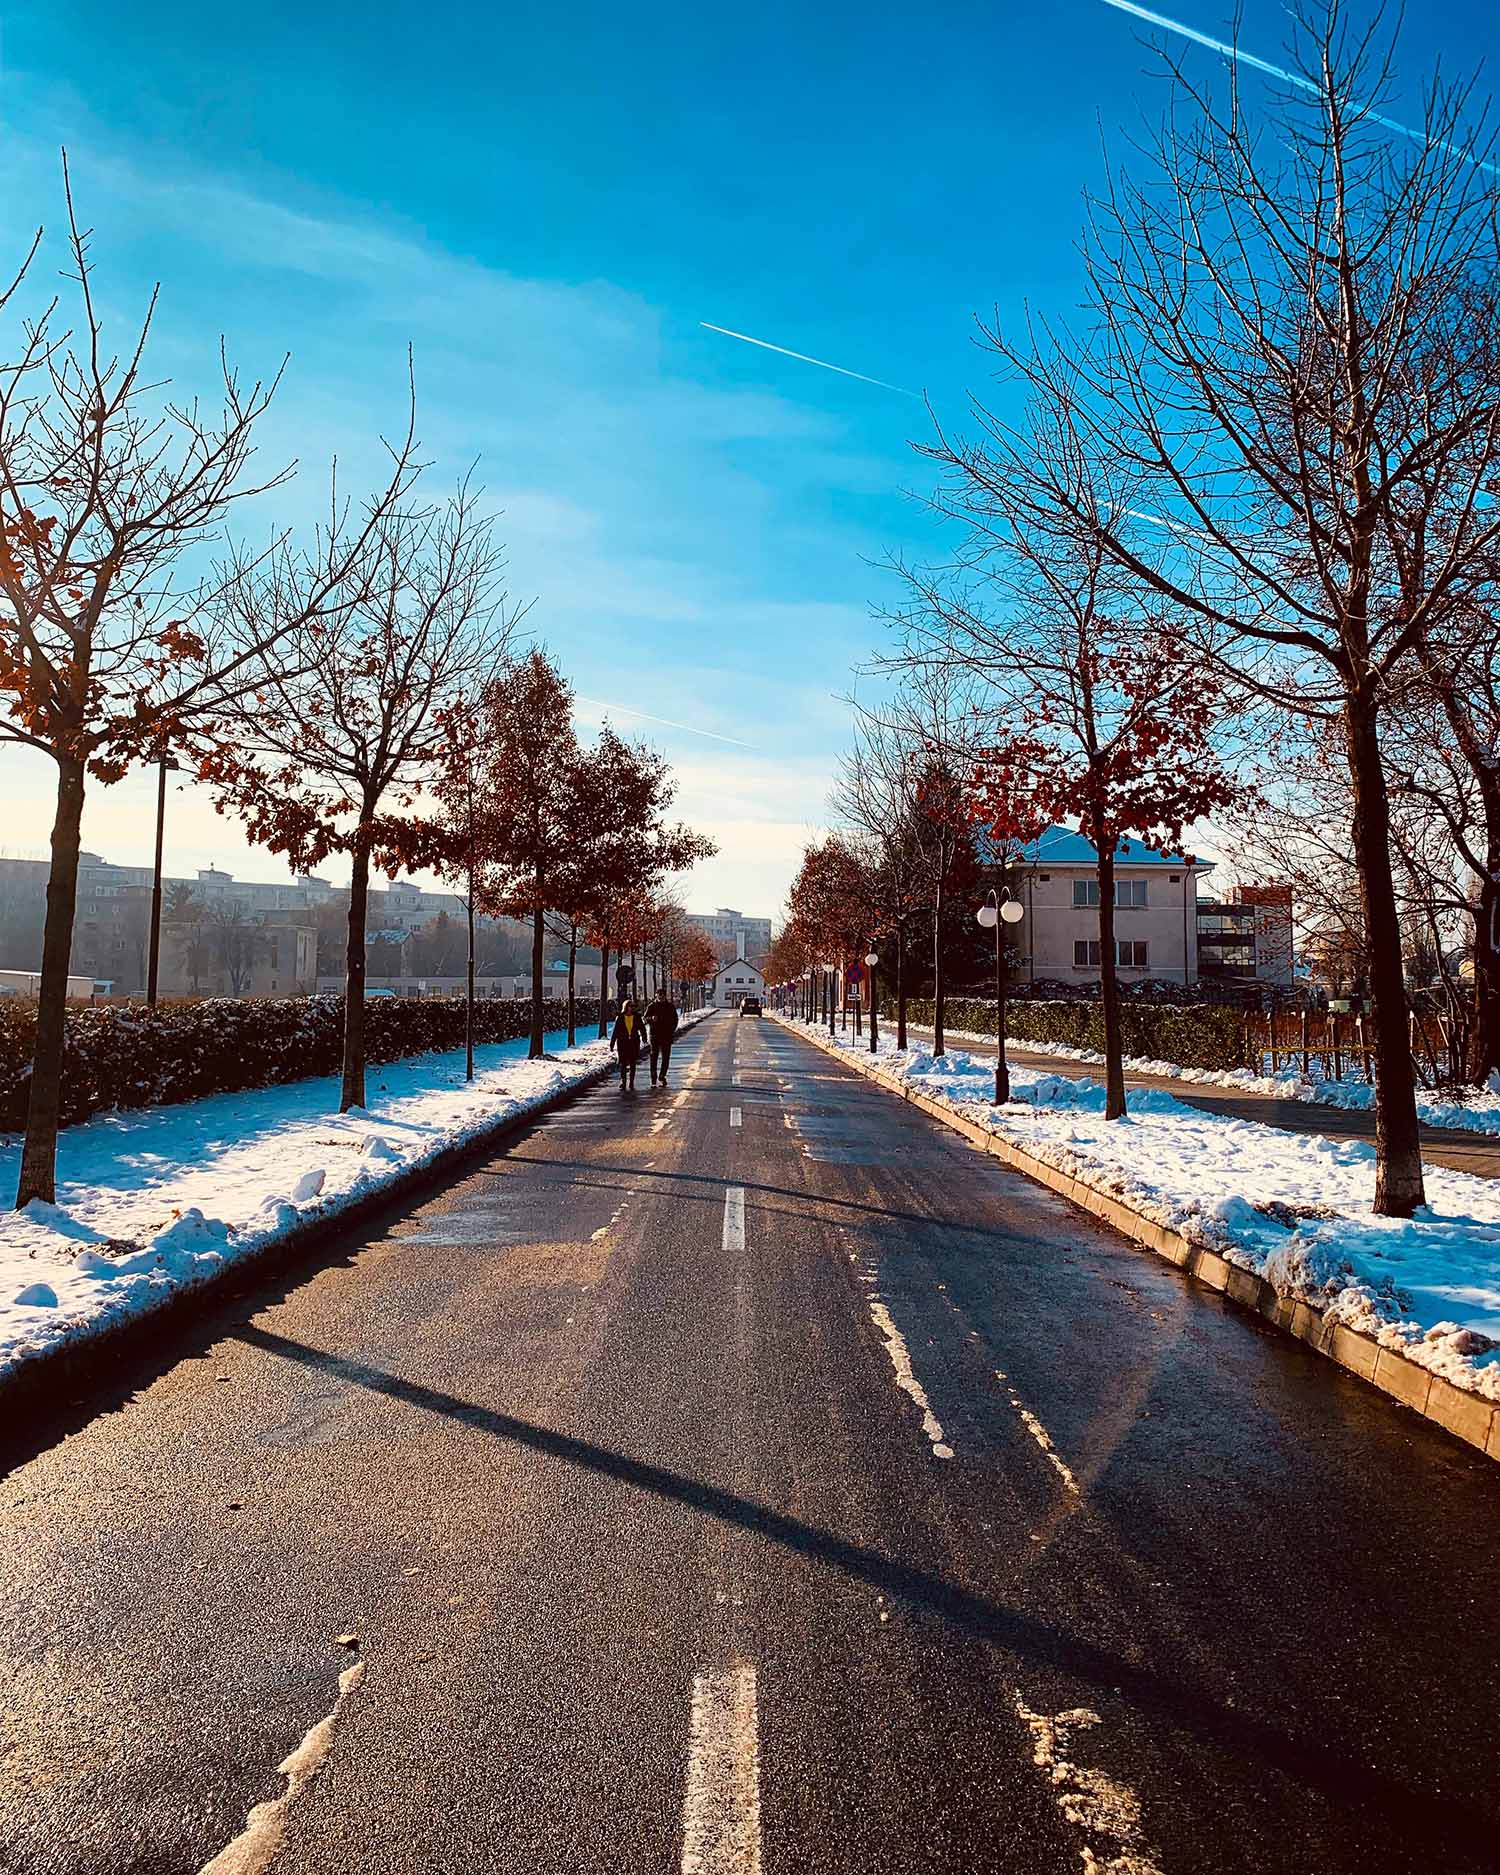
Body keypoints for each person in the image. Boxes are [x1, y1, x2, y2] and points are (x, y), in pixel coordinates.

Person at [644, 990, 680, 1085]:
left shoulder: (670, 1006)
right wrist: (651, 1019)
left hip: (666, 1035)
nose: (660, 997)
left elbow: (675, 1019)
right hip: (655, 1035)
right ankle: (653, 1076)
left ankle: (662, 1075)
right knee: (653, 1056)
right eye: (659, 995)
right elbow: (645, 1018)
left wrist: (671, 1030)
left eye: (662, 995)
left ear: (665, 996)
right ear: (656, 996)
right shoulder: (652, 1006)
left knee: (666, 1057)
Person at [610, 998, 643, 1091]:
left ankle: (631, 1082)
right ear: (626, 1007)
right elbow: (615, 1031)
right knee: (623, 1063)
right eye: (630, 1006)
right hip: (623, 1043)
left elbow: (642, 1027)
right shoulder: (620, 1017)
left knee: (633, 1063)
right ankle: (623, 1081)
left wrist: (644, 1037)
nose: (632, 1008)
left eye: (633, 1006)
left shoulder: (637, 1017)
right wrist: (612, 1044)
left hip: (633, 1042)